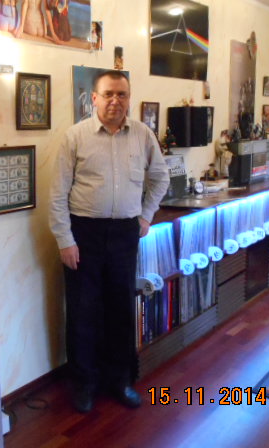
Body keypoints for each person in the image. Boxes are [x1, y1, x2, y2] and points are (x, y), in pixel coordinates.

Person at [48, 70, 170, 413]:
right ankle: (84, 384)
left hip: (124, 234)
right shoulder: (75, 137)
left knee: (121, 309)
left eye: (122, 94)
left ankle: (120, 381)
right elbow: (57, 194)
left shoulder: (142, 134)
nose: (116, 100)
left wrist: (145, 216)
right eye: (108, 94)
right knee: (82, 311)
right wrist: (65, 240)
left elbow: (160, 178)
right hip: (83, 233)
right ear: (94, 98)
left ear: (129, 98)